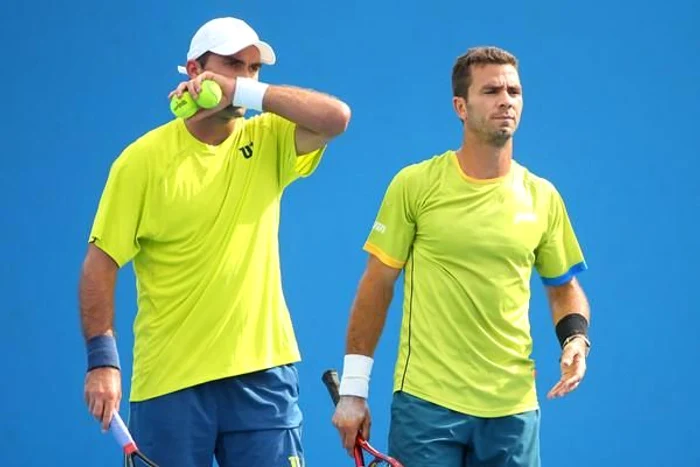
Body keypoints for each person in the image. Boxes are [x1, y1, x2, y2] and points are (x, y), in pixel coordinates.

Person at [79, 16, 351, 467]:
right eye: (232, 65)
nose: (246, 76)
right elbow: (99, 265)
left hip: (263, 377)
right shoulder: (139, 162)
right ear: (193, 71)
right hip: (170, 383)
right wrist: (102, 361)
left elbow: (336, 118)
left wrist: (242, 91)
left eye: (254, 68)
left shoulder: (269, 137)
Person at [331, 46, 591, 467]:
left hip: (512, 409)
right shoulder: (415, 185)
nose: (506, 100)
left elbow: (564, 288)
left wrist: (575, 339)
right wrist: (354, 391)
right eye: (491, 91)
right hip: (427, 405)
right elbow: (376, 286)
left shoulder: (543, 197)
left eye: (514, 91)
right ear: (460, 106)